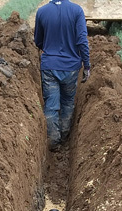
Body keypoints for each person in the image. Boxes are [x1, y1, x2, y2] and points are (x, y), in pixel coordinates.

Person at [34, 0, 90, 149]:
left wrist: (50, 48)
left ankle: (53, 141)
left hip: (49, 67)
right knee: (67, 102)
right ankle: (64, 136)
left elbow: (38, 41)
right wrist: (87, 65)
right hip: (71, 68)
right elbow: (82, 40)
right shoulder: (77, 11)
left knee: (51, 105)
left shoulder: (42, 12)